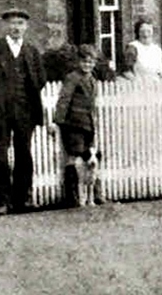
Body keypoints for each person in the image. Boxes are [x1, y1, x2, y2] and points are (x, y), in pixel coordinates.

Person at [0, 8, 46, 215]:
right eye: (13, 23)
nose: (16, 27)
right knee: (1, 156)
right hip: (0, 111)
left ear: (26, 27)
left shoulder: (32, 52)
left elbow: (40, 80)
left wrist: (24, 99)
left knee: (24, 154)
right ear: (5, 25)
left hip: (25, 110)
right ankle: (1, 201)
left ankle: (23, 199)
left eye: (20, 23)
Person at [54, 43, 101, 207]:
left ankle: (93, 195)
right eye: (84, 61)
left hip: (88, 125)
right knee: (73, 157)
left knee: (89, 159)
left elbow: (92, 105)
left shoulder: (92, 80)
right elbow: (64, 99)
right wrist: (57, 121)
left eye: (91, 62)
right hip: (73, 124)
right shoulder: (72, 78)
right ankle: (72, 197)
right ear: (78, 62)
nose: (87, 65)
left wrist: (94, 122)